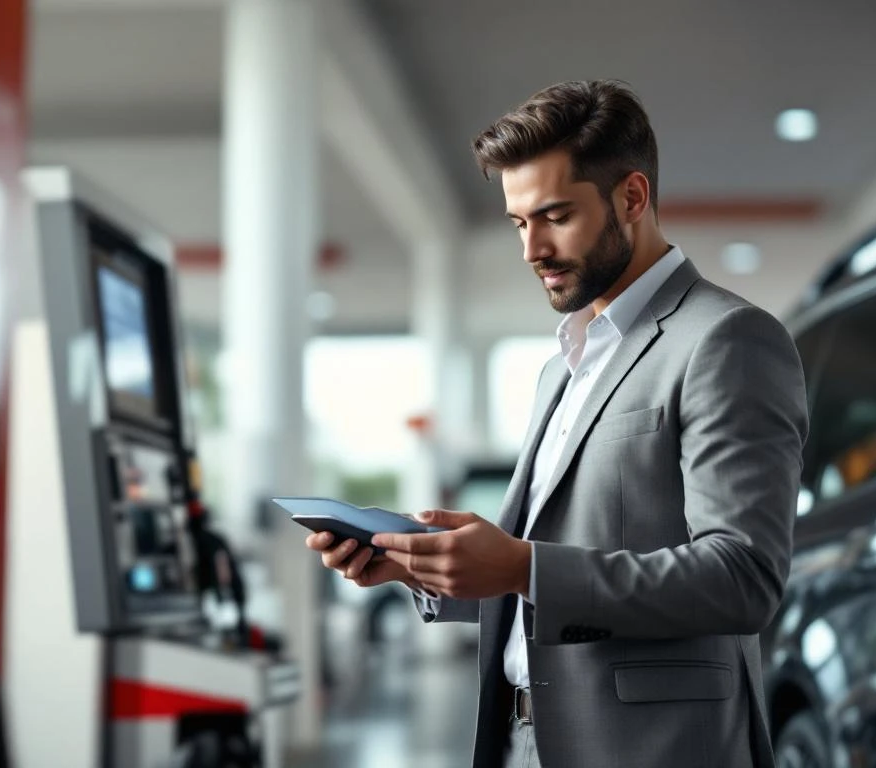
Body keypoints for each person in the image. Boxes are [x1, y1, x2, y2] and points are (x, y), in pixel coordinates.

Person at [306, 79, 808, 767]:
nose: (530, 248)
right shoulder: (562, 368)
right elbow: (551, 573)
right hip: (525, 741)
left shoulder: (726, 340)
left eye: (554, 216)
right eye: (519, 223)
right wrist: (422, 569)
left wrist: (520, 565)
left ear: (632, 197)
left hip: (651, 750)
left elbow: (743, 578)